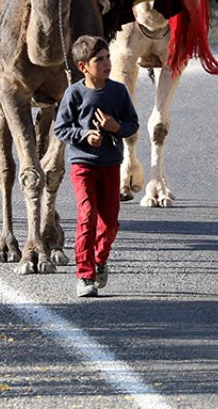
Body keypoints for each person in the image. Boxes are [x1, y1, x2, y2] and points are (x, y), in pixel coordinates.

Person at [54, 35, 140, 298]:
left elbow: (132, 124)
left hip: (111, 164)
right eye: (99, 60)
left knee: (110, 222)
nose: (106, 63)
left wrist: (116, 128)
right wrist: (84, 135)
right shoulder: (75, 93)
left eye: (107, 58)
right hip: (83, 165)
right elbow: (61, 127)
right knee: (87, 216)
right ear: (83, 67)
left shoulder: (118, 92)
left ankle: (100, 260)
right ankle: (85, 274)